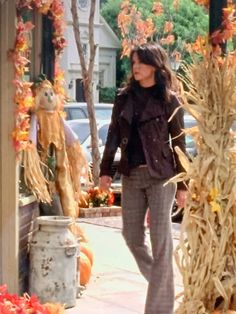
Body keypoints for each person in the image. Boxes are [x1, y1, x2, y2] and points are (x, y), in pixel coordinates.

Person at [99, 42, 187, 314]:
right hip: (131, 175)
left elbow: (179, 144)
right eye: (134, 62)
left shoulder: (170, 99)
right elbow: (113, 133)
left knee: (161, 241)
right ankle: (162, 283)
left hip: (162, 177)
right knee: (132, 236)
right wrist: (105, 170)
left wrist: (183, 184)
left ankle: (158, 309)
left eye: (141, 62)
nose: (136, 67)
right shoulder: (124, 97)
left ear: (155, 66)